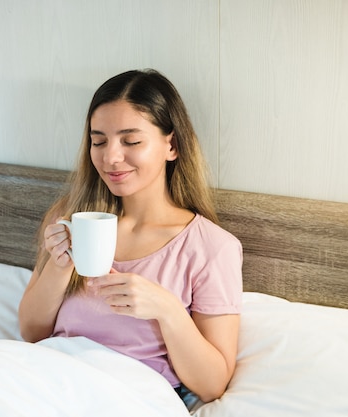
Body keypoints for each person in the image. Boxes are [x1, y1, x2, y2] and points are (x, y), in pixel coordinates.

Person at [18, 69, 243, 403]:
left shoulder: (210, 247)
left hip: (128, 395)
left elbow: (211, 385)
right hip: (50, 377)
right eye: (98, 141)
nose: (110, 157)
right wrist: (60, 265)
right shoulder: (71, 218)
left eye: (131, 141)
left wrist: (167, 310)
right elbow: (32, 333)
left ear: (172, 145)